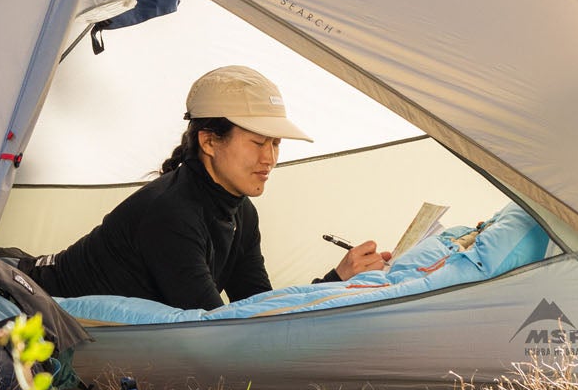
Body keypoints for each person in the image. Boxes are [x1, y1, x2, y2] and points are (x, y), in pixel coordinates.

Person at [20, 65, 387, 310]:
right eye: (258, 142)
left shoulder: (241, 211)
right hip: (26, 299)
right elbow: (218, 330)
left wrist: (338, 279)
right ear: (209, 141)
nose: (270, 158)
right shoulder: (171, 213)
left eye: (276, 144)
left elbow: (255, 307)